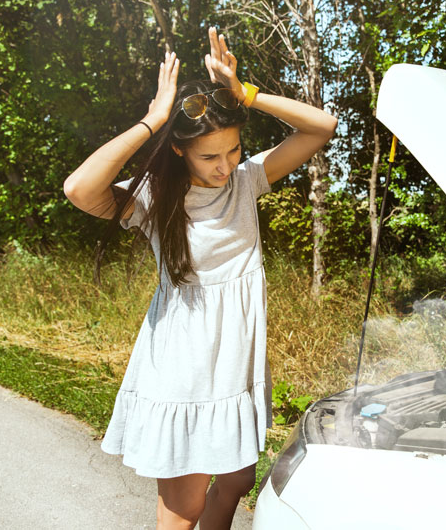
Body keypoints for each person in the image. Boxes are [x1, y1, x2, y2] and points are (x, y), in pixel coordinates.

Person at [63, 26, 337, 530]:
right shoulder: (154, 198)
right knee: (183, 509)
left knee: (236, 481)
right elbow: (79, 189)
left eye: (232, 150)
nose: (225, 166)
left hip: (235, 362)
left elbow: (322, 126)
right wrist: (152, 120)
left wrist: (245, 93)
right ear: (178, 150)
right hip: (184, 367)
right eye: (210, 156)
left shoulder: (245, 181)